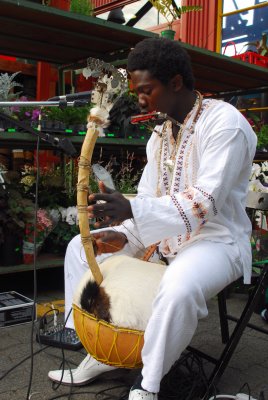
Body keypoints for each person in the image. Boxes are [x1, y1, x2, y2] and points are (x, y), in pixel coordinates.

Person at [48, 37, 257, 400]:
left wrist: (134, 212)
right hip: (163, 237)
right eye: (137, 90)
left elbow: (202, 205)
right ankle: (99, 351)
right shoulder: (160, 134)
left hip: (216, 240)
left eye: (147, 90)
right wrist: (125, 232)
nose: (140, 99)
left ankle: (148, 384)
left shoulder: (225, 125)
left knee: (178, 285)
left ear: (175, 83)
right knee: (80, 249)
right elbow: (147, 199)